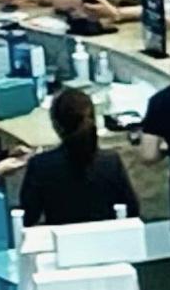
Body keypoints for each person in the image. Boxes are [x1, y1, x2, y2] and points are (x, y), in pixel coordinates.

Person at [16, 83, 137, 227]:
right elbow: (132, 211)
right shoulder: (111, 163)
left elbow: (28, 219)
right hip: (106, 244)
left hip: (61, 244)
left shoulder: (41, 166)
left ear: (56, 125)